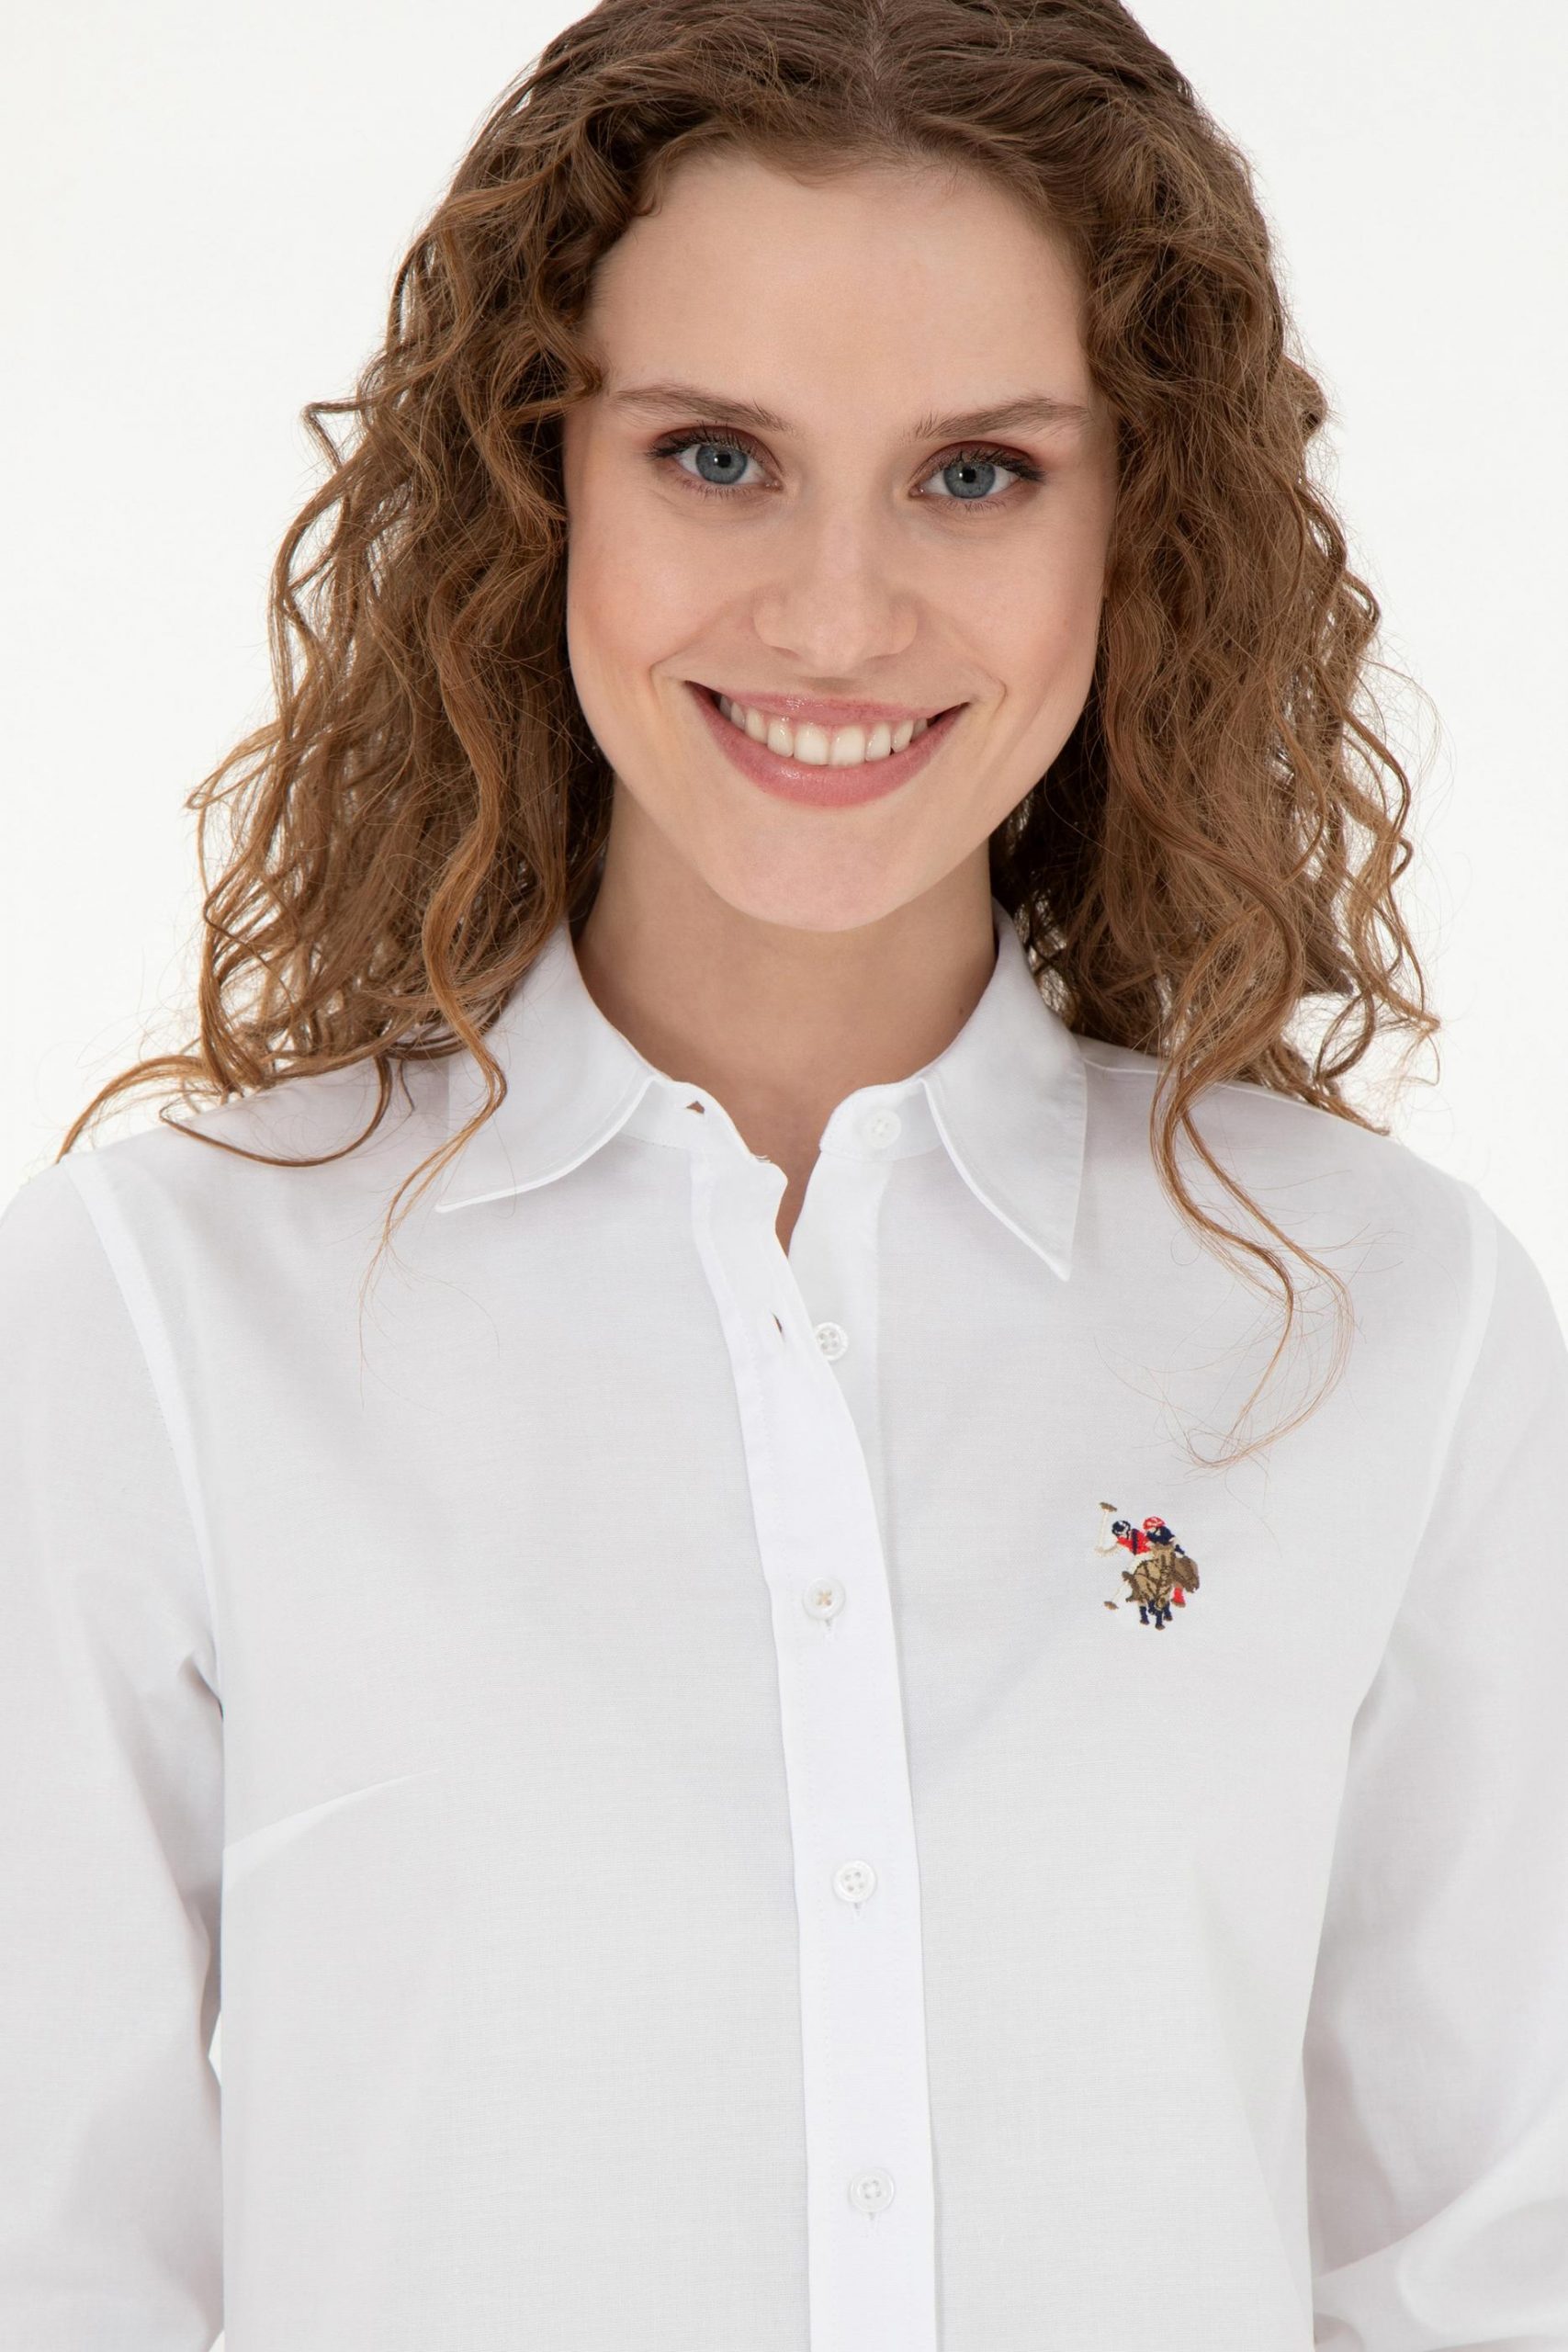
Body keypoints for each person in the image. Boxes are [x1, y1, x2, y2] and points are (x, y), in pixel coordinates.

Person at [3, 1, 1564, 2345]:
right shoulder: (164, 1308)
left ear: (1137, 520)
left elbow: (1475, 2270)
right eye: (715, 455)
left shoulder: (1380, 1324)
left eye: (975, 472)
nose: (836, 616)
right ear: (538, 476)